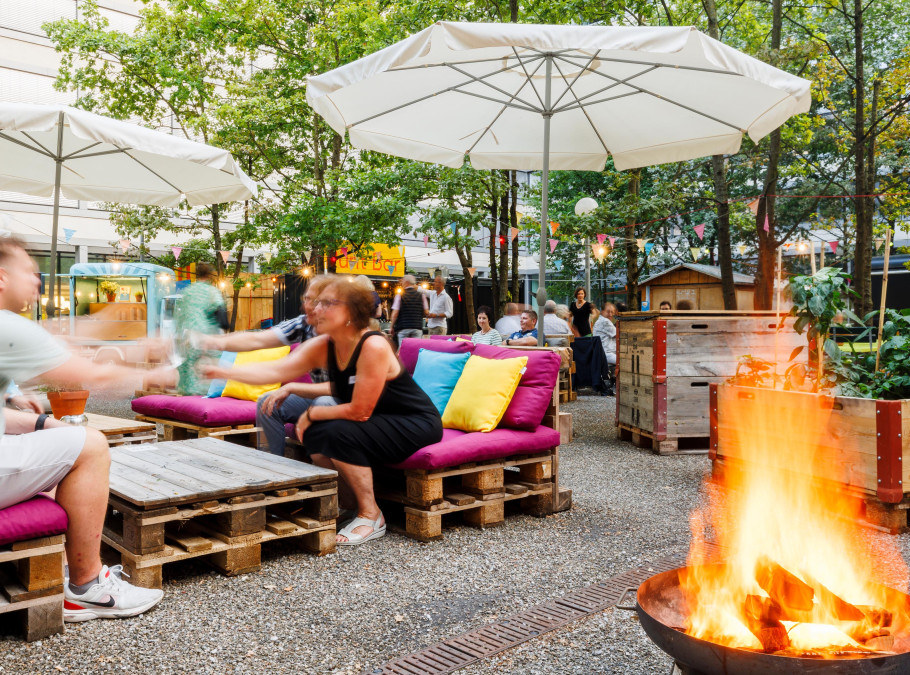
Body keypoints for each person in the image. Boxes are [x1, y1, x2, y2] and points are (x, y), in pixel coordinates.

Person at [204, 277, 442, 546]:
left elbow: (360, 411)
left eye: (327, 303)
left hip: (412, 423)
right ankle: (348, 505)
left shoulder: (373, 345)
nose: (315, 309)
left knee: (334, 429)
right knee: (318, 434)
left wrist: (312, 414)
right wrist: (221, 370)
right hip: (378, 420)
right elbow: (275, 371)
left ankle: (372, 514)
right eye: (316, 303)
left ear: (351, 312)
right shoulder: (323, 345)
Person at [0, 236, 166, 622]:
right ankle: (87, 587)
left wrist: (42, 422)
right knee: (90, 445)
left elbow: (61, 335)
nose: (38, 281)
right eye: (30, 272)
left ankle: (71, 575)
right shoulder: (7, 324)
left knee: (60, 441)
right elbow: (93, 373)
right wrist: (158, 369)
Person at [201, 274, 333, 455]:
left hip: (348, 399)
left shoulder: (343, 334)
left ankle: (327, 475)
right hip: (320, 394)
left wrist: (293, 388)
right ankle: (274, 466)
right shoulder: (305, 325)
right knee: (268, 403)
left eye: (312, 300)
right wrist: (214, 343)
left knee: (323, 403)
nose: (305, 305)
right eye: (306, 299)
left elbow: (346, 389)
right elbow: (257, 339)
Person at [174, 262, 226, 396]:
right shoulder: (212, 291)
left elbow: (179, 315)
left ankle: (187, 399)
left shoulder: (187, 291)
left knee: (188, 369)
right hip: (206, 335)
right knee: (209, 368)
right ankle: (207, 398)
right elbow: (220, 313)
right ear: (208, 275)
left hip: (187, 335)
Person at [390, 275, 428, 348]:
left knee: (403, 350)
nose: (402, 284)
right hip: (417, 328)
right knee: (416, 350)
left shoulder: (400, 295)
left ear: (407, 283)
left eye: (403, 282)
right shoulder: (422, 296)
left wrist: (391, 326)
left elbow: (395, 313)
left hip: (403, 328)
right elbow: (426, 312)